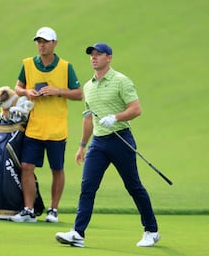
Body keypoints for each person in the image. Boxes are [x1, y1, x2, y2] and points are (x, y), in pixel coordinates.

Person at [55, 43, 160, 247]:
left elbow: (136, 109)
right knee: (87, 187)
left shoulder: (121, 81)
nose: (93, 58)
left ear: (109, 58)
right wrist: (82, 145)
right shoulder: (88, 86)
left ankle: (152, 231)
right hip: (98, 144)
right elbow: (88, 119)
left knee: (133, 186)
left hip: (121, 139)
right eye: (91, 55)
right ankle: (78, 234)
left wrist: (115, 117)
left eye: (98, 54)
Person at [10, 27, 83, 223]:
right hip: (34, 126)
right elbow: (17, 87)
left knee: (57, 169)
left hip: (56, 129)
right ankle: (28, 210)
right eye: (39, 41)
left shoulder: (66, 67)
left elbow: (78, 93)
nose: (41, 45)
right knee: (26, 167)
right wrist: (27, 93)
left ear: (54, 43)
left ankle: (53, 210)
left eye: (45, 41)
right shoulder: (27, 64)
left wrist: (58, 91)